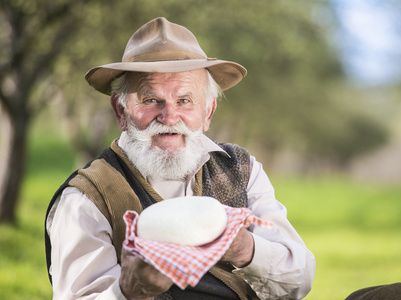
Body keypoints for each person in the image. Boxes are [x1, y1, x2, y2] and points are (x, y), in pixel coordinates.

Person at [45, 17, 315, 300]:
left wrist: (244, 248)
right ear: (121, 111)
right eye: (150, 100)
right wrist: (127, 291)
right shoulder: (86, 197)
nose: (169, 117)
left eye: (184, 101)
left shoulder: (242, 169)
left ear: (208, 112)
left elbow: (301, 280)